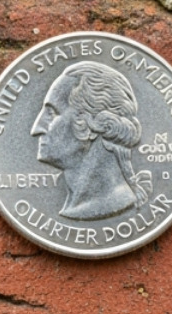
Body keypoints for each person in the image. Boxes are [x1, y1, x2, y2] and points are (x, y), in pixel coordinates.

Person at [31, 60, 152, 220]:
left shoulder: (115, 201)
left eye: (52, 113)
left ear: (91, 123)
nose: (36, 129)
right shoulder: (78, 205)